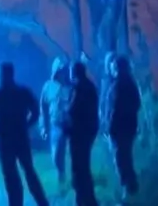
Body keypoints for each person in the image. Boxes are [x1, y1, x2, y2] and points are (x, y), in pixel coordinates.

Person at [0, 62, 48, 206]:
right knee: (26, 171)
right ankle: (41, 202)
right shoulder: (19, 92)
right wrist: (27, 124)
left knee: (14, 174)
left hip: (9, 139)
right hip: (18, 137)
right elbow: (35, 111)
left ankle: (19, 203)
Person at [102, 55, 142, 200]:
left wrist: (109, 127)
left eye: (114, 67)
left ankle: (128, 190)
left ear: (118, 68)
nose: (112, 69)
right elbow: (137, 104)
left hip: (119, 129)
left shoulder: (118, 85)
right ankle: (131, 188)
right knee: (125, 157)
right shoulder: (131, 84)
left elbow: (114, 109)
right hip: (129, 127)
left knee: (121, 159)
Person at [65, 61, 100, 206]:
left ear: (74, 72)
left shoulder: (78, 87)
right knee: (83, 165)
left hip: (79, 132)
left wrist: (65, 119)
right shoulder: (90, 86)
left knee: (79, 167)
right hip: (89, 130)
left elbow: (73, 108)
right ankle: (88, 199)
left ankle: (84, 200)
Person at [39, 56, 72, 185]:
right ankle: (61, 176)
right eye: (60, 70)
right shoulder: (48, 87)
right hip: (56, 125)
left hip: (71, 125)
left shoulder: (72, 86)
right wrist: (43, 127)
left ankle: (74, 181)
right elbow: (43, 107)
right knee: (56, 154)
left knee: (73, 154)